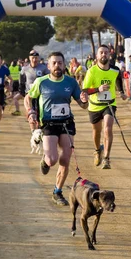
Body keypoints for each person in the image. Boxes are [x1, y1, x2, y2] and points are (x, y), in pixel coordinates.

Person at [25, 52, 88, 206]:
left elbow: (83, 104)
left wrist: (85, 100)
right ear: (48, 65)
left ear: (64, 64)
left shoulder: (71, 82)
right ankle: (45, 161)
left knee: (66, 159)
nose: (57, 66)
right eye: (54, 63)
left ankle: (57, 191)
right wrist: (31, 112)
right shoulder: (41, 82)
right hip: (48, 124)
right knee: (52, 160)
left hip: (66, 123)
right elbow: (28, 98)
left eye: (60, 63)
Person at [81, 45, 126, 170]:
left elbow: (118, 79)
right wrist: (98, 89)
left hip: (109, 104)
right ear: (97, 55)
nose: (103, 55)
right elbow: (85, 90)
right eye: (101, 52)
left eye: (106, 52)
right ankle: (97, 150)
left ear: (109, 55)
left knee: (108, 128)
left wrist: (121, 92)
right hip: (95, 105)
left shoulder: (115, 70)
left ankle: (106, 158)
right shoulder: (92, 71)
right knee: (97, 132)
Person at [20, 49, 50, 132]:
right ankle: (33, 132)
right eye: (33, 57)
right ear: (30, 58)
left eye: (36, 58)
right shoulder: (25, 69)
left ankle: (40, 129)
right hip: (29, 95)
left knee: (40, 114)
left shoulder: (43, 68)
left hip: (41, 95)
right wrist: (21, 91)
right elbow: (22, 81)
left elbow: (49, 79)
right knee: (31, 114)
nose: (35, 59)